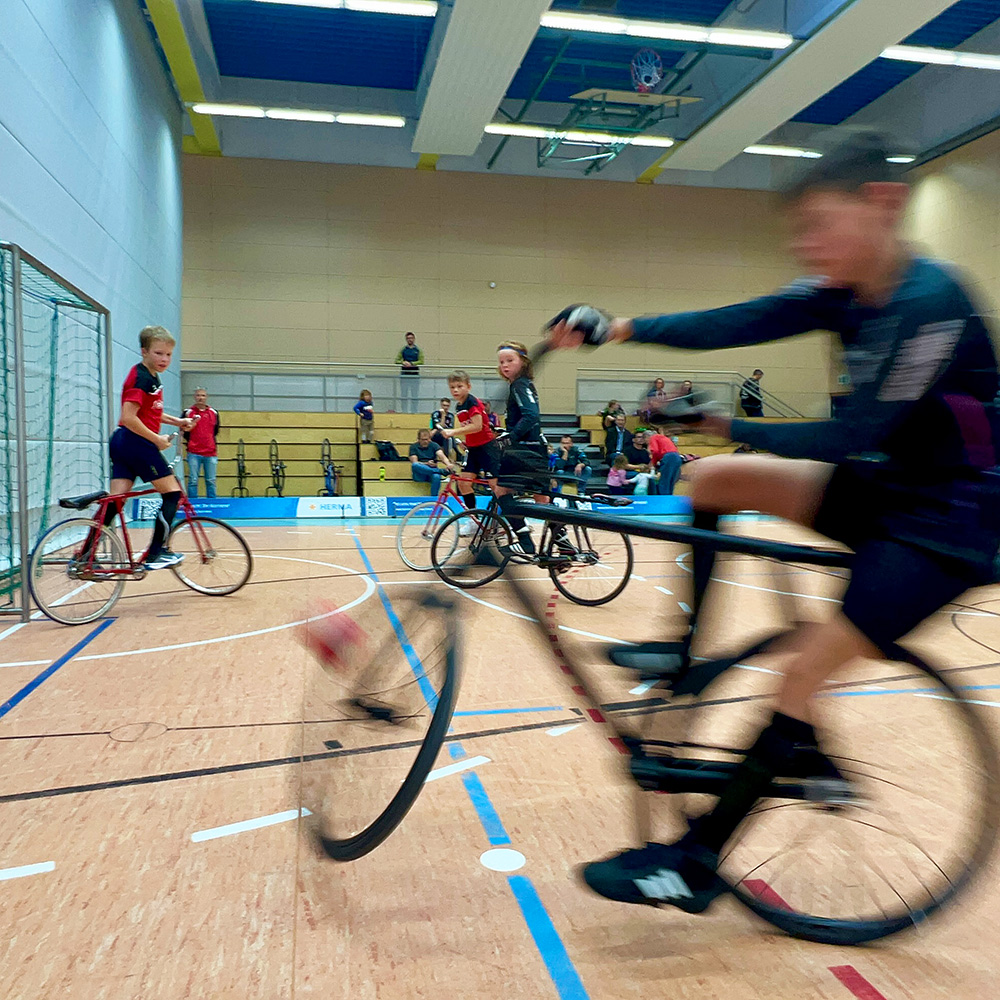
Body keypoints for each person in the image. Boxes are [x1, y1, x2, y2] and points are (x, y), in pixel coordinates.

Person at [545, 128, 1000, 914]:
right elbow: (740, 319)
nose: (809, 245)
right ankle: (683, 654)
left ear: (882, 205)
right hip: (892, 489)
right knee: (712, 481)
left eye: (822, 225)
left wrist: (726, 423)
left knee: (800, 674)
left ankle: (693, 865)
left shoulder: (930, 306)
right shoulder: (843, 292)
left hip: (953, 523)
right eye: (800, 232)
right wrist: (617, 326)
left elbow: (852, 437)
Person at [93, 326, 198, 570]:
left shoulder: (150, 375)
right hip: (136, 443)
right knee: (173, 494)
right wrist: (157, 440)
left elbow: (150, 412)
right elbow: (129, 417)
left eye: (169, 355)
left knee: (115, 502)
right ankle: (156, 553)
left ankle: (85, 554)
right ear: (144, 351)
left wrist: (178, 422)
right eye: (159, 353)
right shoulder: (141, 378)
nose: (164, 359)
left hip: (123, 442)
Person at [437, 370, 498, 534]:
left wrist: (452, 432)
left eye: (459, 386)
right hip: (474, 448)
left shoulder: (471, 402)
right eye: (452, 387)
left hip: (486, 447)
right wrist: (466, 441)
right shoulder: (459, 406)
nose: (455, 390)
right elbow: (470, 428)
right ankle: (474, 522)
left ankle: (510, 524)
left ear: (468, 386)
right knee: (464, 483)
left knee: (496, 486)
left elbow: (478, 426)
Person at [182, 387, 220, 499]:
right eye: (198, 395)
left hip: (211, 452)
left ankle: (213, 504)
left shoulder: (214, 413)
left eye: (203, 395)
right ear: (194, 397)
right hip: (194, 452)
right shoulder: (188, 412)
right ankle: (193, 505)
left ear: (206, 397)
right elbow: (183, 429)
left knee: (211, 480)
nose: (200, 398)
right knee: (193, 480)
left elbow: (215, 430)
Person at [408, 428, 452, 497]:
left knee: (436, 476)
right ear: (418, 439)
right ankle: (440, 471)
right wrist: (427, 464)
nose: (425, 441)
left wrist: (448, 464)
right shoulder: (413, 447)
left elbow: (441, 455)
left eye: (427, 439)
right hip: (420, 472)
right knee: (415, 465)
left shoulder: (434, 445)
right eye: (423, 440)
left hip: (431, 471)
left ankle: (433, 498)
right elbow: (415, 461)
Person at [395, 331, 423, 413]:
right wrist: (403, 362)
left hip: (415, 375)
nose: (410, 340)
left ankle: (414, 411)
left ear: (414, 339)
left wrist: (411, 364)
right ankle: (404, 411)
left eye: (411, 338)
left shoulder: (418, 350)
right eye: (408, 338)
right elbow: (397, 360)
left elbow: (421, 361)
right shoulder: (403, 350)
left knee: (415, 394)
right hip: (404, 375)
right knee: (404, 394)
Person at [648, 429, 682, 495]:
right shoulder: (664, 438)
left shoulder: (653, 437)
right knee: (671, 481)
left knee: (664, 481)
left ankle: (662, 499)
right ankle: (668, 498)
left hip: (669, 457)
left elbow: (655, 451)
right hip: (677, 457)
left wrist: (653, 462)